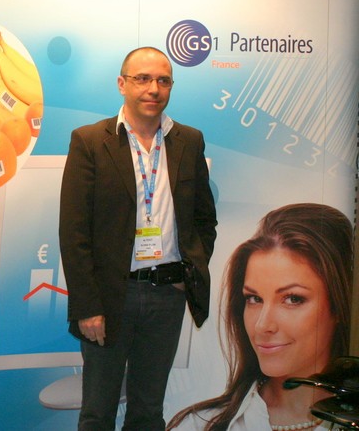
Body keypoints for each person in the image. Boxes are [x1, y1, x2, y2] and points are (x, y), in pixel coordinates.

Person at [59, 46, 218, 431]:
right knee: (98, 412)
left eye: (163, 80)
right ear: (122, 84)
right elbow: (74, 231)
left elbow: (204, 220)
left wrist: (189, 271)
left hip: (167, 296)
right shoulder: (90, 141)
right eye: (143, 79)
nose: (153, 89)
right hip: (111, 297)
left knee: (148, 412)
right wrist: (87, 306)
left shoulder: (189, 140)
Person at [166, 202, 353, 431]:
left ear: (339, 304)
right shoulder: (197, 426)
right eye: (254, 299)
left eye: (293, 299)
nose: (263, 325)